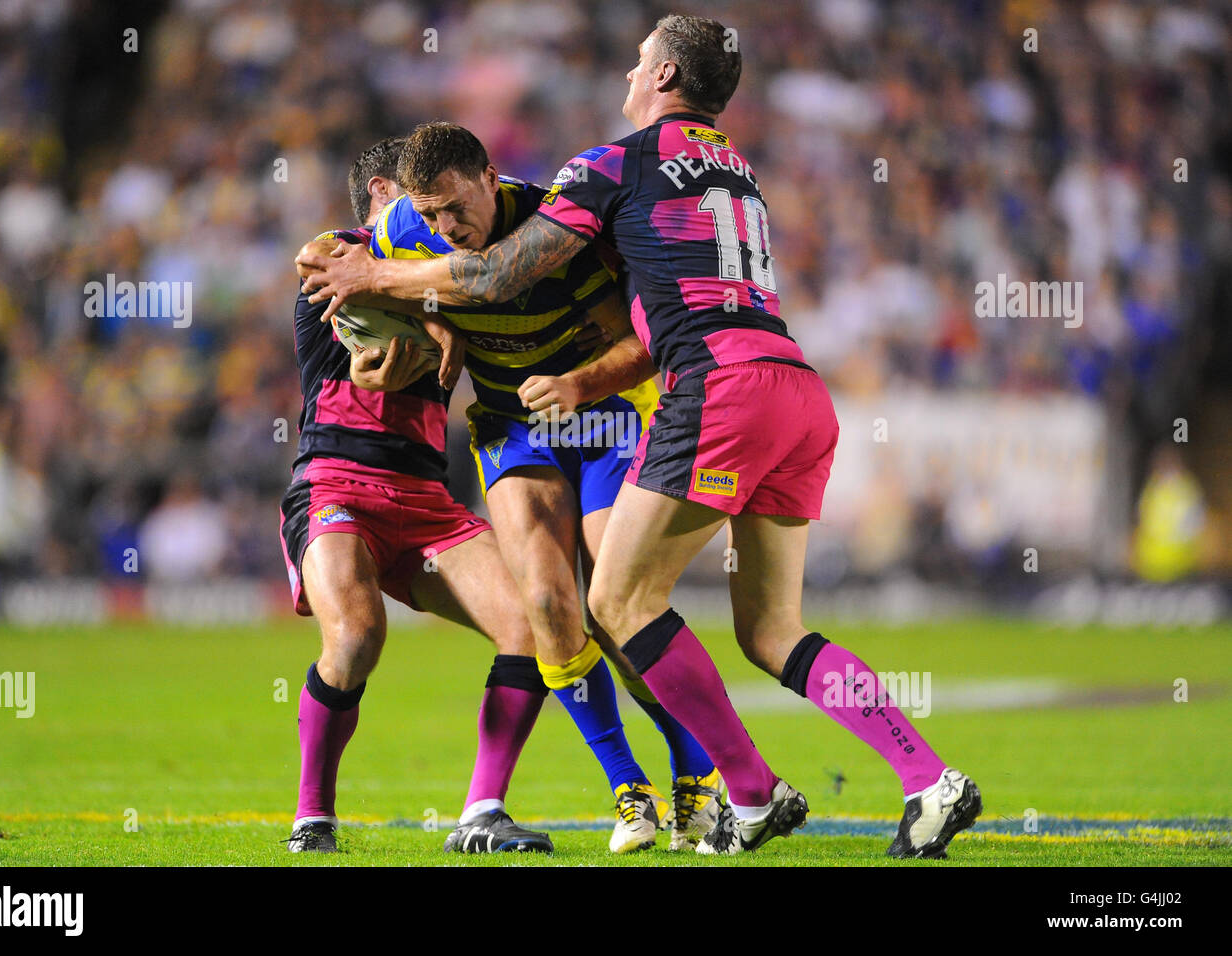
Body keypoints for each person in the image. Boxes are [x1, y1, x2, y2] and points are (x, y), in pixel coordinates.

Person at [298, 16, 982, 858]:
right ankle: (928, 780)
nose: (626, 70)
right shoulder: (739, 170)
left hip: (714, 387)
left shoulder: (609, 165)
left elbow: (503, 271)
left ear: (662, 75)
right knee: (772, 631)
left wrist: (375, 274)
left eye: (637, 59)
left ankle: (750, 792)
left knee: (615, 603)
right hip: (796, 388)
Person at [314, 121, 721, 852]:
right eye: (428, 213)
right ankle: (630, 791)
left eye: (452, 207)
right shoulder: (407, 227)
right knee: (544, 601)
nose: (443, 227)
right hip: (511, 426)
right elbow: (320, 257)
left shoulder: (559, 226)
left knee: (615, 603)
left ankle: (698, 775)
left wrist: (580, 380)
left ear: (488, 175)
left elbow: (642, 343)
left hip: (605, 418)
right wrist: (430, 323)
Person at [282, 138, 553, 854]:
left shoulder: (449, 273)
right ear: (381, 192)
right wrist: (428, 322)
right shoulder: (337, 252)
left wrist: (437, 319)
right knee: (357, 635)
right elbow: (321, 263)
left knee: (533, 625)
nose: (430, 217)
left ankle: (483, 812)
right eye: (412, 198)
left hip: (427, 495)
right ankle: (314, 816)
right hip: (336, 482)